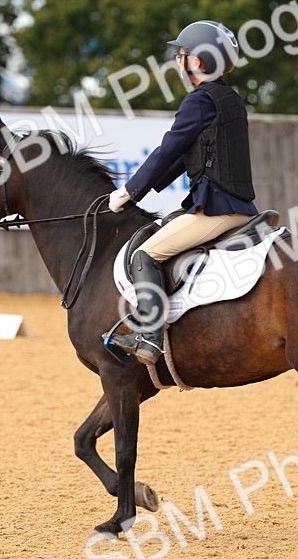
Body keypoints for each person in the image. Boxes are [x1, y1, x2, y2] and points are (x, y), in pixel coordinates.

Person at [107, 20, 258, 365]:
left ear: (200, 61)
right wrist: (141, 189)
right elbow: (186, 155)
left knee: (144, 255)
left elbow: (167, 149)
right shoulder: (230, 99)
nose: (177, 58)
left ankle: (149, 337)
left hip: (217, 210)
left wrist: (129, 192)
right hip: (240, 206)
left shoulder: (199, 101)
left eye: (183, 53)